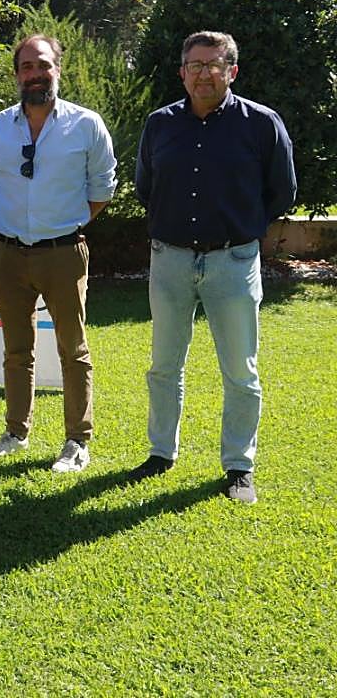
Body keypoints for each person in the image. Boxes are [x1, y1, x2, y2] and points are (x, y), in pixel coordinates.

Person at [130, 30, 296, 504]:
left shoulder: (261, 124)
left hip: (233, 261)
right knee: (164, 366)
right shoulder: (159, 124)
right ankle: (160, 453)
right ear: (182, 73)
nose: (204, 74)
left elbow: (282, 192)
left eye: (214, 64)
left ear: (232, 71)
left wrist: (243, 229)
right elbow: (146, 187)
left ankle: (239, 465)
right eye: (195, 65)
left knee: (241, 370)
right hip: (170, 260)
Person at [0, 34, 117, 472]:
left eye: (43, 65)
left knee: (73, 350)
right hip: (8, 254)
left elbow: (103, 187)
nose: (35, 74)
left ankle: (77, 440)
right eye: (27, 67)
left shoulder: (86, 124)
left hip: (63, 254)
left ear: (58, 69)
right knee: (16, 350)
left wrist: (64, 225)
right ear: (17, 74)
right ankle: (16, 433)